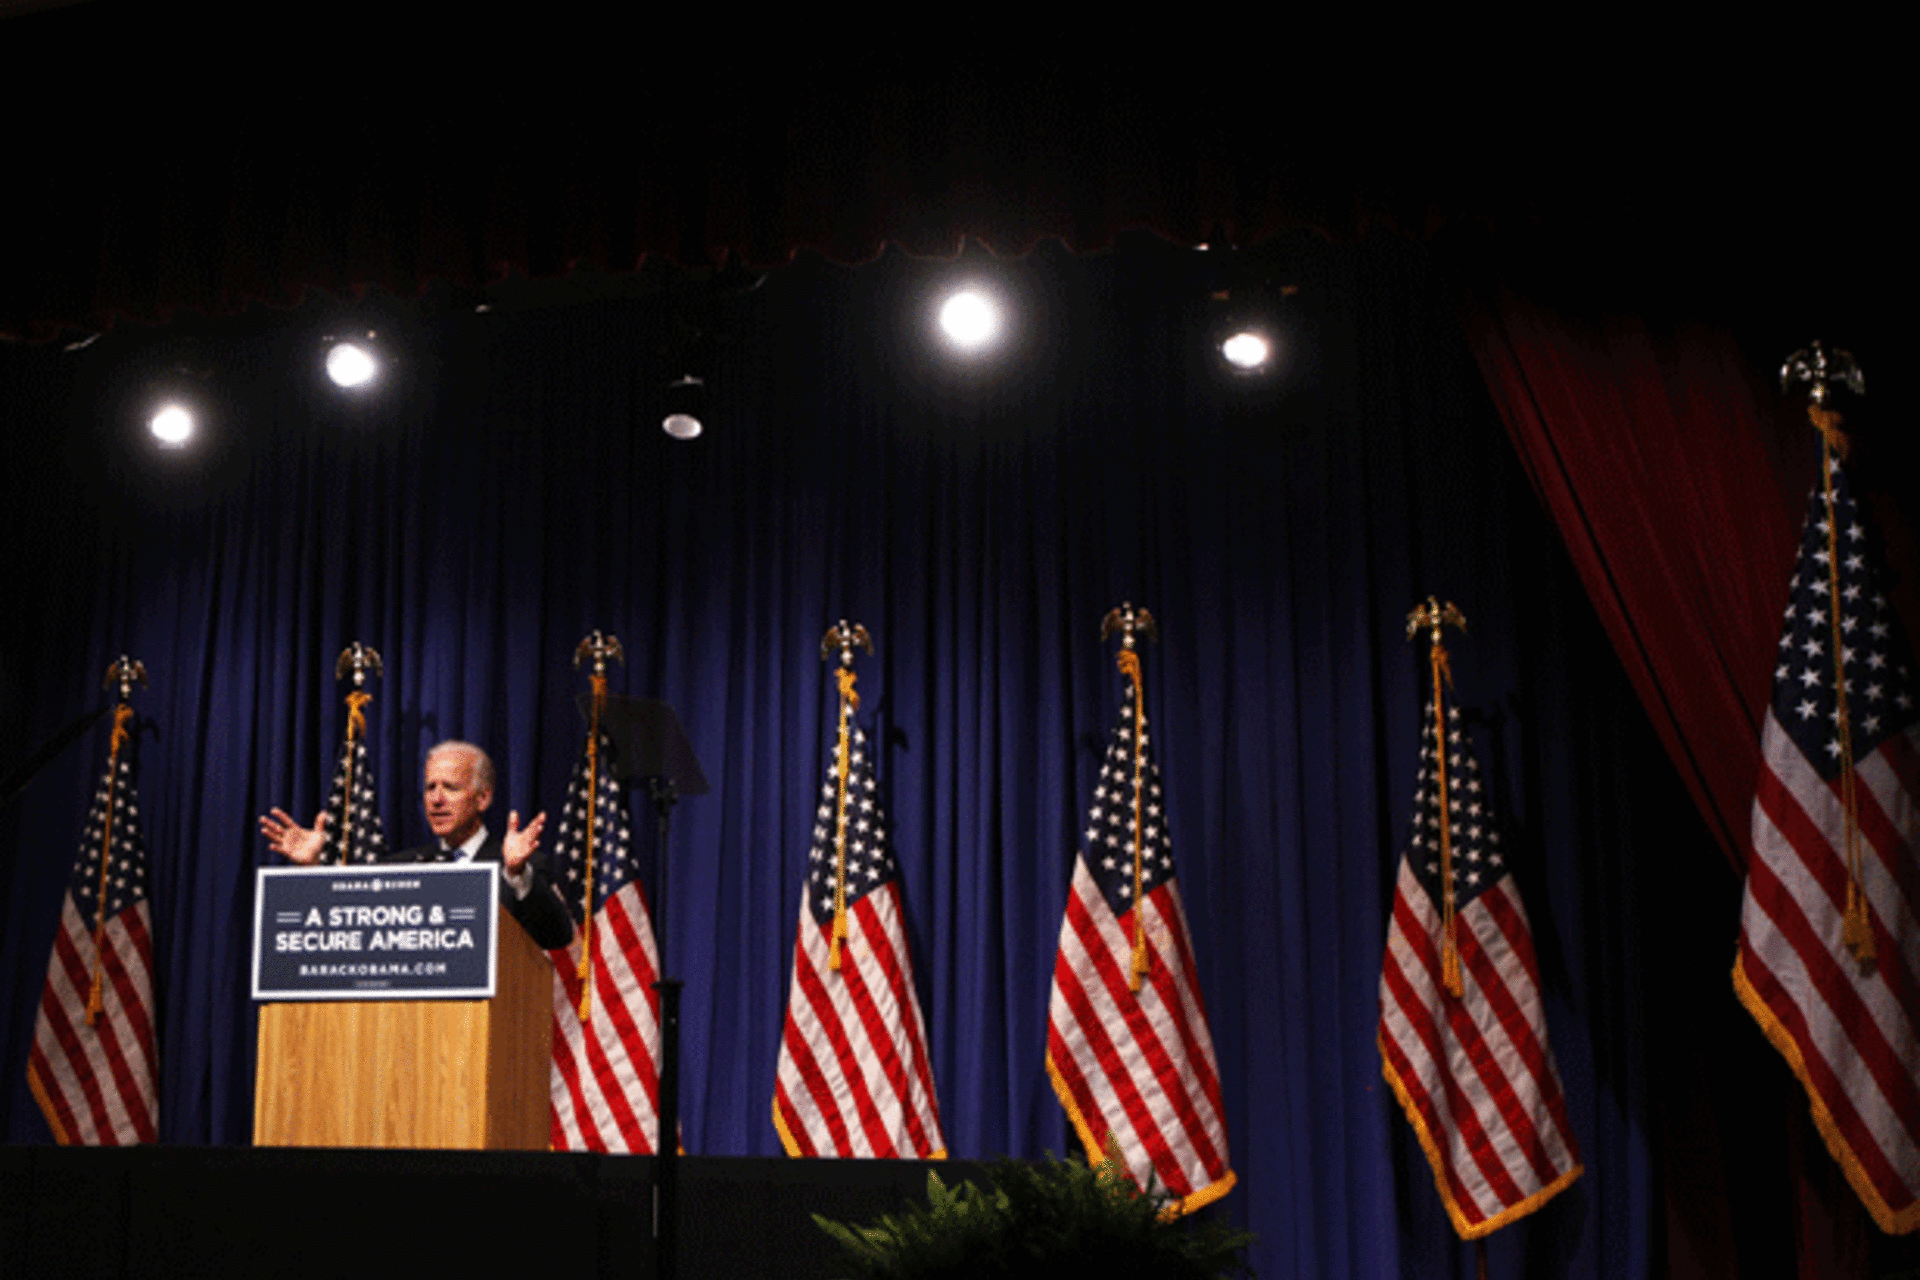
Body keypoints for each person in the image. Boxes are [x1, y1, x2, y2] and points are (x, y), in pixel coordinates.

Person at [259, 740, 575, 949]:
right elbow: (349, 933)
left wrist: (517, 873)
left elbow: (557, 935)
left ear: (483, 797)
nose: (436, 800)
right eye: (430, 787)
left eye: (450, 788)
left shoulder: (522, 867)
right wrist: (313, 869)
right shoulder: (399, 868)